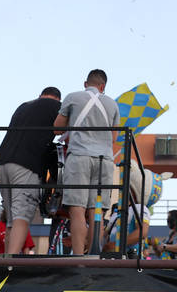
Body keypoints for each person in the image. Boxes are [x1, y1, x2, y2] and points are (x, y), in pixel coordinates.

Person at [55, 69, 120, 255]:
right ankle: (94, 256)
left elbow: (57, 128)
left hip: (79, 158)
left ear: (86, 84)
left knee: (77, 211)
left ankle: (77, 257)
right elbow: (113, 138)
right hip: (104, 162)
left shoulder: (73, 97)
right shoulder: (113, 104)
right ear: (103, 86)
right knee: (96, 213)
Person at [0, 87, 61, 255]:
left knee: (11, 219)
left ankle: (7, 258)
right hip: (26, 165)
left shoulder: (23, 106)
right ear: (57, 99)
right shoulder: (56, 107)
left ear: (40, 96)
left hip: (2, 162)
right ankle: (11, 264)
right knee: (22, 216)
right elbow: (62, 131)